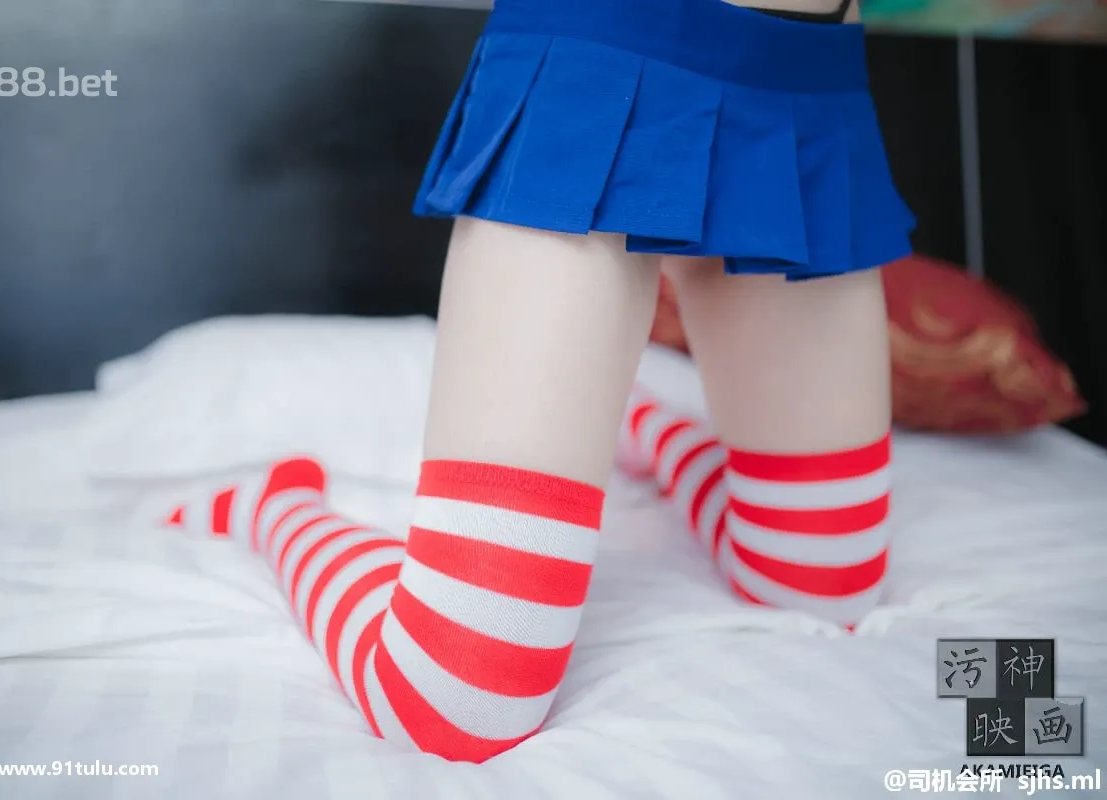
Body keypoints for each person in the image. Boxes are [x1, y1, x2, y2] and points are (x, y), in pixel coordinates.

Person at [164, 0, 912, 763]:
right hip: (605, 51)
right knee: (453, 699)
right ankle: (279, 504)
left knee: (821, 584)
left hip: (805, 79)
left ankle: (641, 425)